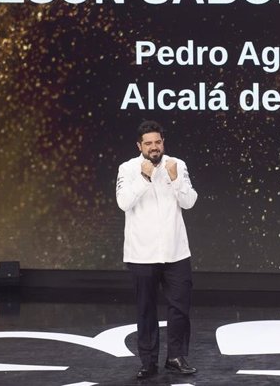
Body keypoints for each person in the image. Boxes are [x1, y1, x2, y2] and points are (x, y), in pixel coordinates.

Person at [116, 120, 198, 379]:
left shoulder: (178, 165)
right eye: (148, 143)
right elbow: (123, 203)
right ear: (139, 145)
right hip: (142, 253)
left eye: (158, 142)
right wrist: (144, 177)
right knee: (146, 308)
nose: (154, 147)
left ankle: (175, 357)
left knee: (180, 308)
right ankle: (148, 361)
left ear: (164, 142)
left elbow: (189, 202)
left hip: (176, 252)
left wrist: (175, 180)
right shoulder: (128, 169)